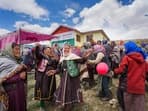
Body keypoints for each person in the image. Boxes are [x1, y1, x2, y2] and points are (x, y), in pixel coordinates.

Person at [49, 43, 89, 111]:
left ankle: (70, 105)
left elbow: (81, 61)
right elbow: (59, 68)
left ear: (70, 49)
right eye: (65, 48)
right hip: (64, 77)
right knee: (65, 90)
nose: (66, 50)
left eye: (67, 48)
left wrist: (85, 57)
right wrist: (55, 71)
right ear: (63, 49)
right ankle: (65, 104)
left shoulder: (73, 56)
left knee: (72, 89)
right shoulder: (62, 58)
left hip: (73, 77)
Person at [114, 41, 148, 111]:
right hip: (140, 88)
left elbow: (121, 70)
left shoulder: (127, 58)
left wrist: (115, 71)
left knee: (129, 105)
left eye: (125, 48)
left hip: (129, 87)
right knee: (139, 106)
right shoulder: (144, 60)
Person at [0, 43, 27, 111]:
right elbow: (3, 79)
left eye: (19, 49)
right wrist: (19, 77)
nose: (18, 51)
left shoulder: (16, 60)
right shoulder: (3, 61)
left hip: (19, 89)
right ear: (10, 50)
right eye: (16, 49)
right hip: (11, 92)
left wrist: (24, 74)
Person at [34, 44, 58, 111]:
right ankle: (42, 105)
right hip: (41, 77)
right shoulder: (40, 57)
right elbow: (37, 53)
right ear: (43, 51)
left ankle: (51, 100)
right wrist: (37, 47)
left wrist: (56, 61)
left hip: (50, 77)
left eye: (49, 50)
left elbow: (55, 66)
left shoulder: (52, 58)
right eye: (46, 50)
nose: (48, 51)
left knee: (50, 89)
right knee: (42, 90)